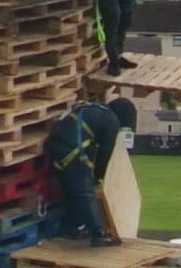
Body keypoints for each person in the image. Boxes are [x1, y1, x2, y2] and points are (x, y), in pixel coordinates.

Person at [43, 99, 123, 247]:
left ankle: (73, 227)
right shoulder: (112, 120)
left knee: (70, 190)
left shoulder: (90, 107)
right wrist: (98, 177)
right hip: (71, 152)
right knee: (85, 193)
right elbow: (105, 153)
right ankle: (99, 235)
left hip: (53, 147)